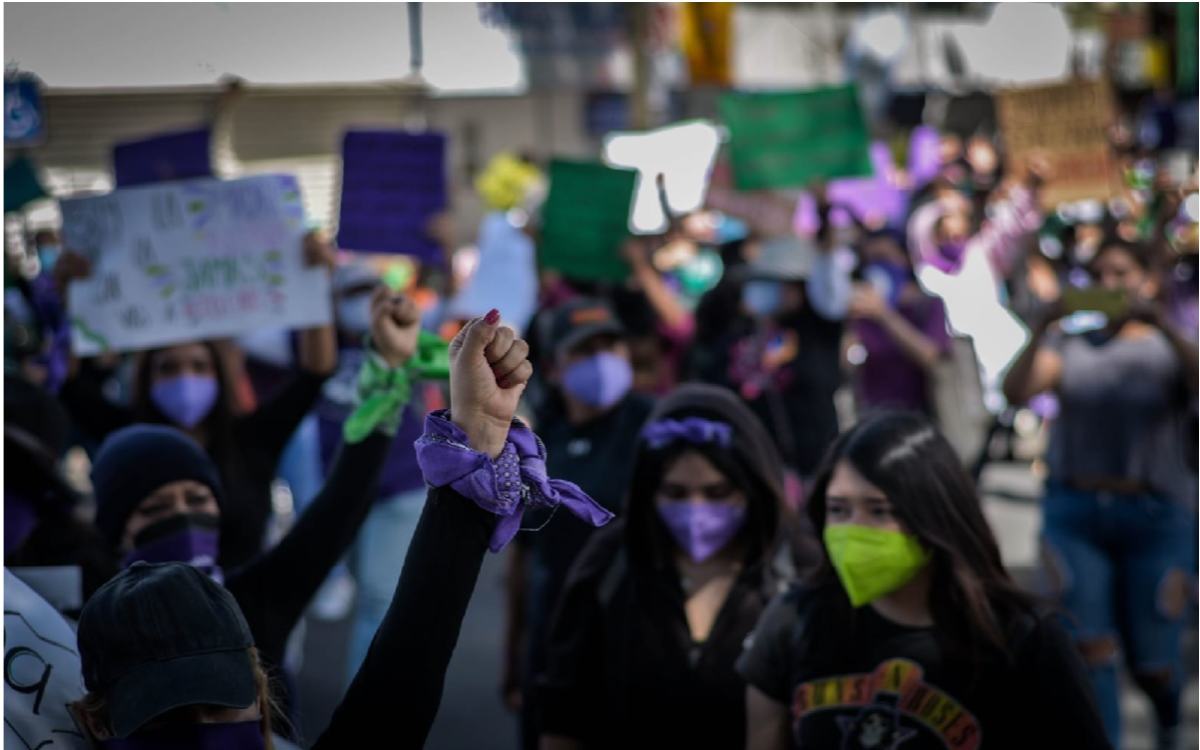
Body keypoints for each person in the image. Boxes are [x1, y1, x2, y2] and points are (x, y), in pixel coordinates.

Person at [71, 309, 613, 749]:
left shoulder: (247, 603)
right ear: (95, 722)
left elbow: (411, 653)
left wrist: (475, 440)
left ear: (262, 698)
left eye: (220, 704)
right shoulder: (72, 620)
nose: (202, 734)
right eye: (161, 718)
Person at [84, 288, 421, 731]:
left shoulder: (257, 603)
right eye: (157, 505)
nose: (183, 515)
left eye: (198, 499)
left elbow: (344, 499)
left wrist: (387, 373)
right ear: (117, 528)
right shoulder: (92, 624)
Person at [739, 412, 1110, 750]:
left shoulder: (1022, 639)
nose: (854, 530)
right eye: (839, 509)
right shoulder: (794, 620)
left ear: (932, 517)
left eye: (880, 510)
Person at [538, 383, 816, 749]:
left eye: (717, 493)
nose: (696, 511)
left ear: (751, 486)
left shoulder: (797, 567)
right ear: (648, 490)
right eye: (675, 493)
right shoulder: (614, 559)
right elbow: (565, 711)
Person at [1002, 238, 1197, 748]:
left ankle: (1169, 716)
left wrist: (1161, 325)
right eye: (1101, 275)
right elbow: (1015, 391)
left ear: (1146, 280)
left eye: (1122, 273)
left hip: (1155, 516)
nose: (1111, 285)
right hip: (1076, 513)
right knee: (1089, 647)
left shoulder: (1167, 348)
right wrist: (1042, 325)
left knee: (1154, 662)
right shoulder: (1071, 346)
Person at [54, 231, 339, 568]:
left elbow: (314, 373)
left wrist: (313, 284)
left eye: (199, 366)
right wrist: (75, 299)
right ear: (147, 379)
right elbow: (67, 385)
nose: (185, 378)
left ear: (220, 376)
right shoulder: (124, 435)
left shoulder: (252, 439)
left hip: (243, 613)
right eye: (168, 368)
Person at [503, 296, 654, 749]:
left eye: (612, 346)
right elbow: (521, 563)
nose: (603, 362)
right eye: (586, 351)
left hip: (629, 639)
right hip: (552, 637)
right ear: (554, 368)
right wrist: (511, 657)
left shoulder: (651, 427)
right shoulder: (538, 442)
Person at [689, 230, 851, 486]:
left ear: (800, 290)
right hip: (751, 471)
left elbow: (831, 295)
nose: (762, 290)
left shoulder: (818, 334)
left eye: (775, 282)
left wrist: (824, 219)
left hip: (811, 471)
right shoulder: (739, 335)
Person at [846, 227, 951, 416]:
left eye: (883, 258)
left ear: (906, 259)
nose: (877, 267)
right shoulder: (862, 313)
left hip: (922, 415)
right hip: (875, 415)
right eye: (870, 261)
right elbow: (847, 363)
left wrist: (883, 314)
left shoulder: (928, 305)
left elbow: (931, 356)